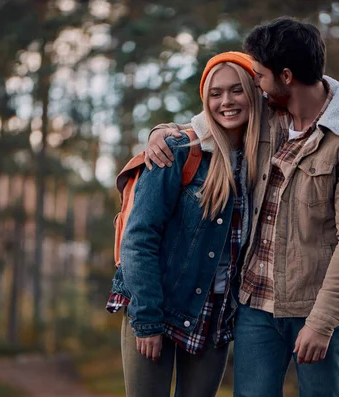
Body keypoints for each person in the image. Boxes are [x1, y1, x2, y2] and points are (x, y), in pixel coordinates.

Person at [146, 17, 339, 397]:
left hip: (318, 309)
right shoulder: (266, 115)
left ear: (286, 76)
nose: (254, 82)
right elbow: (214, 119)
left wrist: (322, 323)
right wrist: (162, 132)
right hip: (254, 308)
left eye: (259, 74)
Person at [106, 51, 263, 397]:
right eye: (216, 93)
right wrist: (147, 320)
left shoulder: (261, 161)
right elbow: (138, 238)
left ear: (254, 94)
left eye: (237, 91)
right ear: (205, 100)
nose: (227, 101)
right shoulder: (178, 150)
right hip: (158, 300)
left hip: (216, 312)